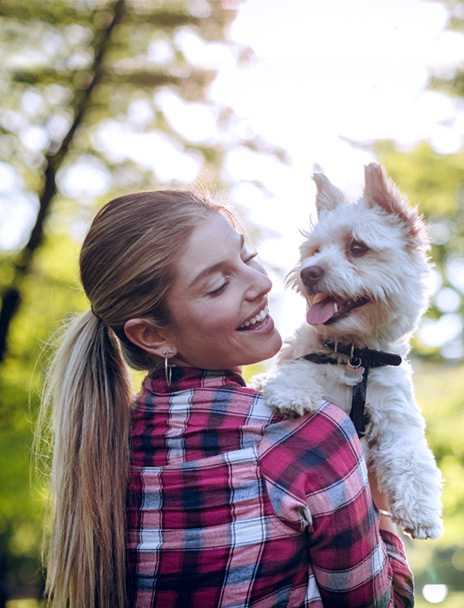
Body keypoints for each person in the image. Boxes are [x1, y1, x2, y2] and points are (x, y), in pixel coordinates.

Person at [39, 189, 415, 607]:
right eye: (219, 285)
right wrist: (378, 508)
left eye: (248, 257)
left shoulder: (100, 443)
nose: (263, 283)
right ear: (152, 335)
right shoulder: (305, 436)